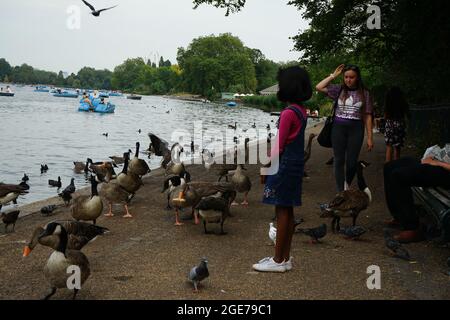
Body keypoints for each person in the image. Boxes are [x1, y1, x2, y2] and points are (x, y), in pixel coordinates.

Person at [254, 66, 312, 273]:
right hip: (295, 164)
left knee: (281, 210)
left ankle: (278, 260)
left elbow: (279, 145)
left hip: (284, 165)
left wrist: (266, 166)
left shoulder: (288, 113)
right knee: (288, 209)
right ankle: (284, 258)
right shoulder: (301, 110)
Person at [316, 64, 374, 192]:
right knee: (338, 160)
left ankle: (346, 184)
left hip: (356, 129)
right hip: (338, 129)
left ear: (357, 78)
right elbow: (319, 87)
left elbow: (368, 116)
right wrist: (333, 75)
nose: (348, 80)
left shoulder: (365, 93)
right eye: (346, 77)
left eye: (351, 77)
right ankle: (340, 191)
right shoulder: (339, 89)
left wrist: (370, 137)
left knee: (352, 161)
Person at [384, 145, 450, 243]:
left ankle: (412, 227)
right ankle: (399, 217)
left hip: (445, 172)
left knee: (399, 176)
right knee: (389, 167)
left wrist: (436, 163)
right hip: (439, 162)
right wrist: (432, 157)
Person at [384, 87, 410, 162]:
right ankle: (396, 167)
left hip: (390, 123)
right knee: (397, 147)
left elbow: (385, 116)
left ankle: (388, 167)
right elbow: (407, 115)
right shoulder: (402, 102)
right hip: (400, 123)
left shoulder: (388, 102)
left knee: (389, 146)